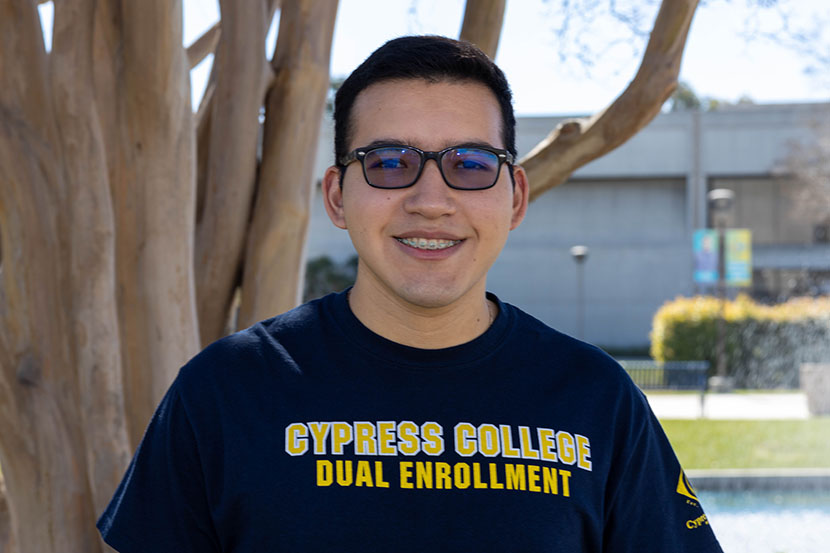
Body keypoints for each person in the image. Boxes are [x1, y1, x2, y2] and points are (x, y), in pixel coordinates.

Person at [97, 35, 723, 552]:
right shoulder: (223, 393)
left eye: (471, 164)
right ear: (339, 196)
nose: (430, 200)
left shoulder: (596, 399)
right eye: (390, 162)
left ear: (517, 197)